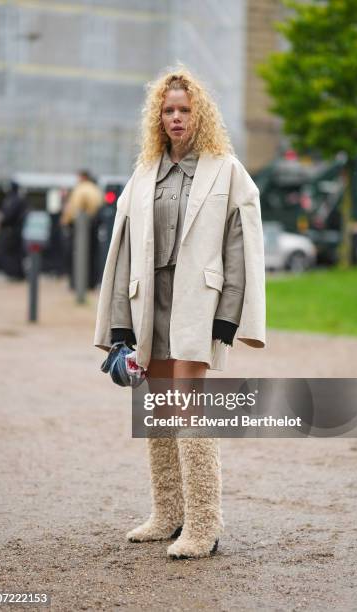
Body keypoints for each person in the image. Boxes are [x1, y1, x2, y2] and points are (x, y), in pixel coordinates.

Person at [94, 66, 266, 559]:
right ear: (157, 116)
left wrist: (229, 315)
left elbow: (241, 243)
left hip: (201, 305)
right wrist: (122, 321)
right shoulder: (144, 173)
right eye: (167, 110)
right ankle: (167, 514)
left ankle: (204, 525)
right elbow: (124, 246)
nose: (175, 117)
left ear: (199, 114)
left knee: (190, 404)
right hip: (152, 305)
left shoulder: (226, 169)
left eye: (184, 109)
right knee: (159, 407)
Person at [60, 170, 102, 289]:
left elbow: (73, 209)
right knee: (92, 257)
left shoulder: (81, 190)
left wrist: (65, 221)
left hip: (79, 228)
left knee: (76, 256)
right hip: (93, 228)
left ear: (83, 177)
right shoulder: (95, 190)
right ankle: (90, 283)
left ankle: (77, 283)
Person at [0, 181, 28, 280]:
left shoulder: (13, 200)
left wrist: (2, 220)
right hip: (14, 230)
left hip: (11, 231)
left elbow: (8, 215)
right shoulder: (17, 199)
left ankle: (15, 274)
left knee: (12, 253)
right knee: (16, 253)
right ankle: (16, 274)